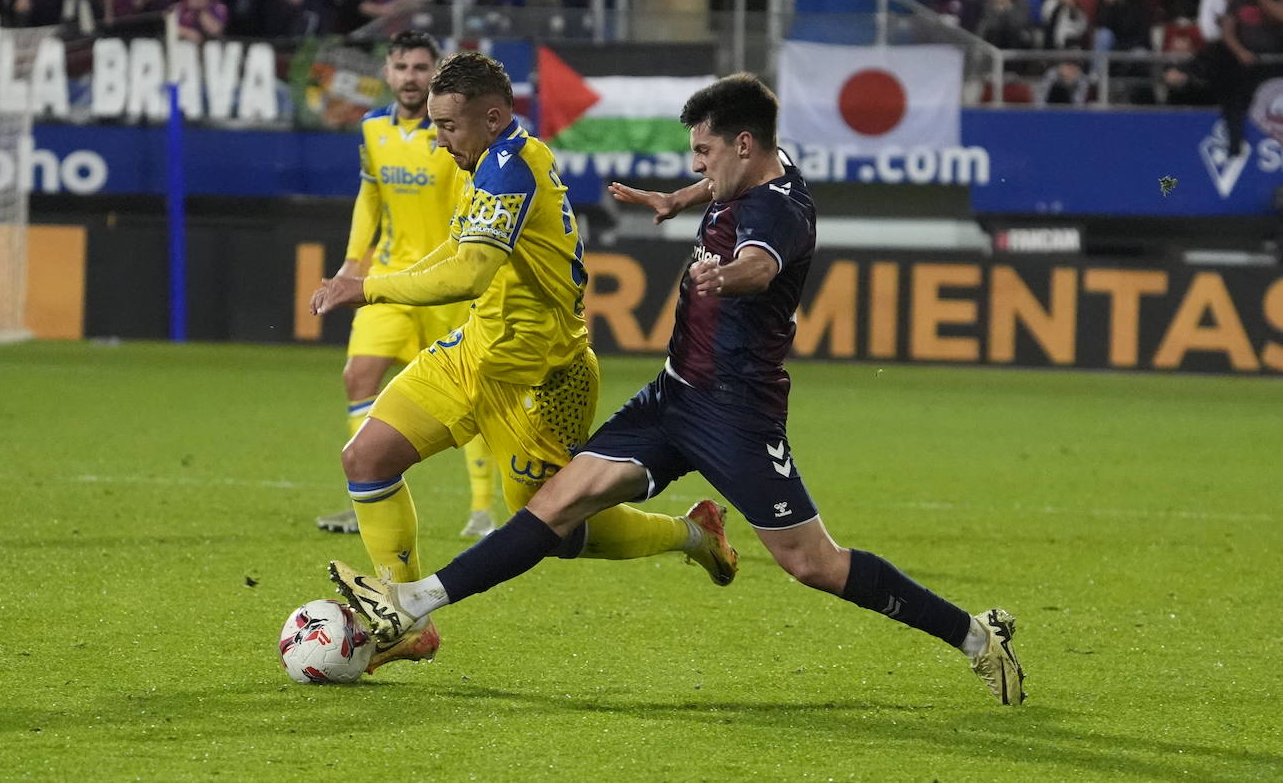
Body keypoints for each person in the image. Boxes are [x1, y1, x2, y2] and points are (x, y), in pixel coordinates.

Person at [327, 73, 1027, 707]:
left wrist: (730, 275)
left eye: (702, 152)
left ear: (743, 144)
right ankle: (413, 603)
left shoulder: (778, 214)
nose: (696, 162)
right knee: (556, 504)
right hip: (671, 398)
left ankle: (974, 636)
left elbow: (759, 260)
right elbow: (728, 191)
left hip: (735, 416)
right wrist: (678, 197)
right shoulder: (757, 174)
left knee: (812, 562)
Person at [312, 52, 734, 673]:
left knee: (552, 530)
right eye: (433, 123)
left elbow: (470, 271)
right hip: (474, 353)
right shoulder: (483, 161)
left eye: (448, 125)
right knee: (367, 457)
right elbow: (454, 252)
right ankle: (406, 621)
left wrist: (369, 287)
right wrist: (379, 277)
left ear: (492, 116)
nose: (438, 137)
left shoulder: (514, 168)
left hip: (542, 378)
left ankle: (694, 533)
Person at [313, 31, 500, 543]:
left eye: (421, 67)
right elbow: (369, 197)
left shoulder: (453, 133)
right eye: (402, 67)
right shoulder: (373, 129)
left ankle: (483, 509)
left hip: (446, 285)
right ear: (388, 73)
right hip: (389, 280)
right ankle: (367, 493)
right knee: (359, 377)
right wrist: (354, 265)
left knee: (470, 397)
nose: (411, 76)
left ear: (434, 72)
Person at [1217, 0, 1283, 154]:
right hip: (1247, 62)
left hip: (1276, 62)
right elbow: (1227, 31)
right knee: (1233, 98)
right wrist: (1240, 51)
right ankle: (1235, 146)